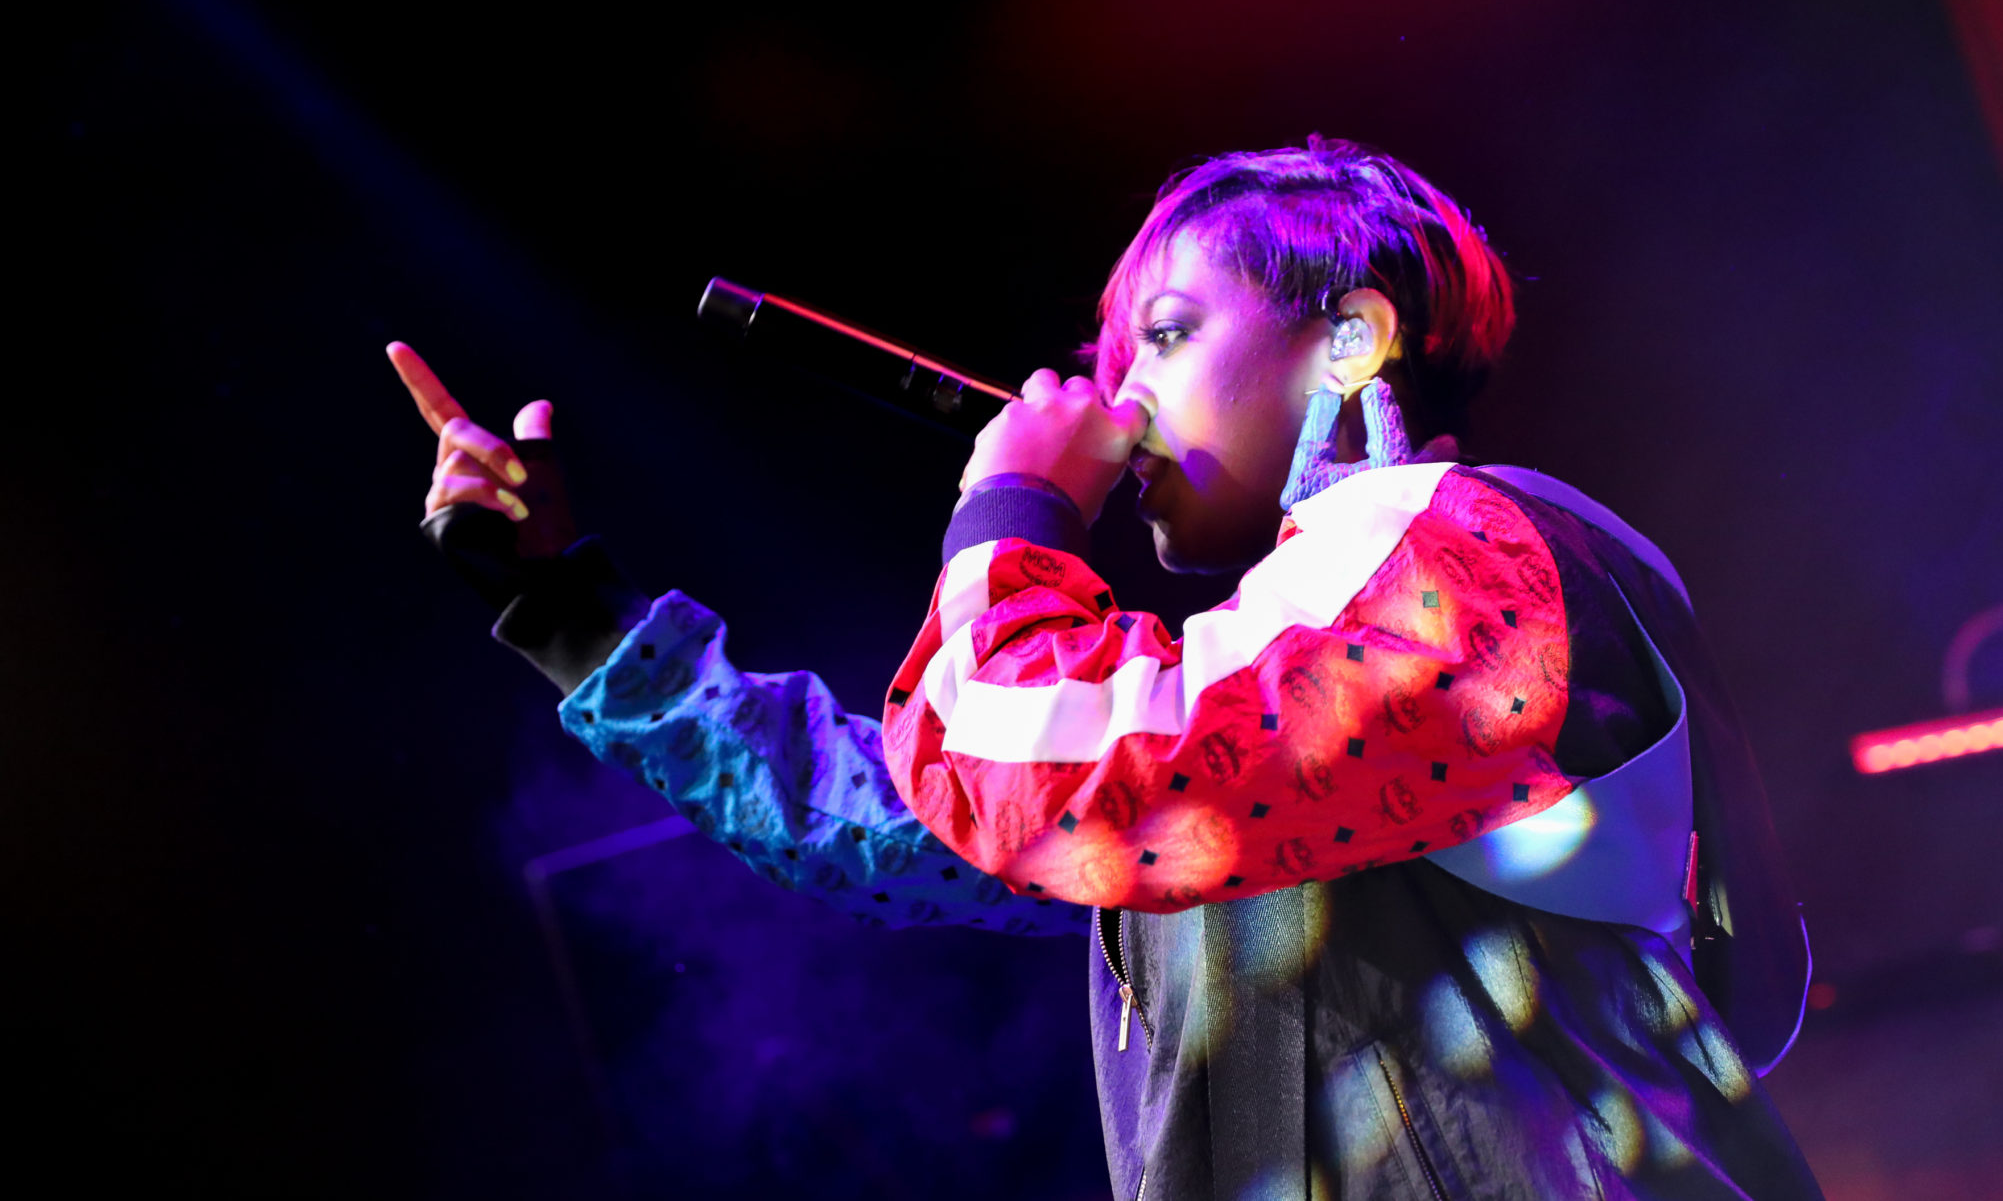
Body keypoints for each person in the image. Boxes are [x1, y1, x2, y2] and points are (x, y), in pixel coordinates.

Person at [393, 138, 1823, 1199]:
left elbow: (1052, 774)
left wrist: (1012, 511)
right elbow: (903, 818)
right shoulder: (1259, 693)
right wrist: (568, 611)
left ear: (1350, 341)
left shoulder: (1467, 545)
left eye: (1169, 335)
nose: (1119, 397)